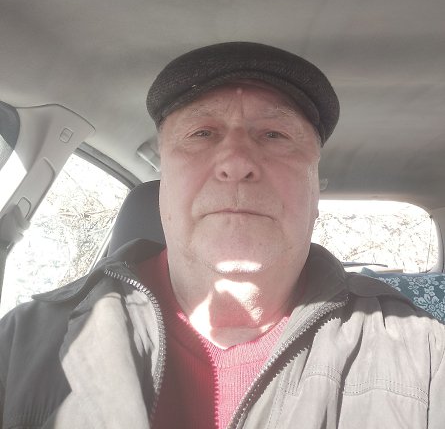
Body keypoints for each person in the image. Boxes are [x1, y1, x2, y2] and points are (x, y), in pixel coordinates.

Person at [0, 41, 444, 429]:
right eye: (202, 133)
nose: (236, 162)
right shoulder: (20, 343)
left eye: (274, 134)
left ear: (315, 188)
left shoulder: (424, 357)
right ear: (163, 180)